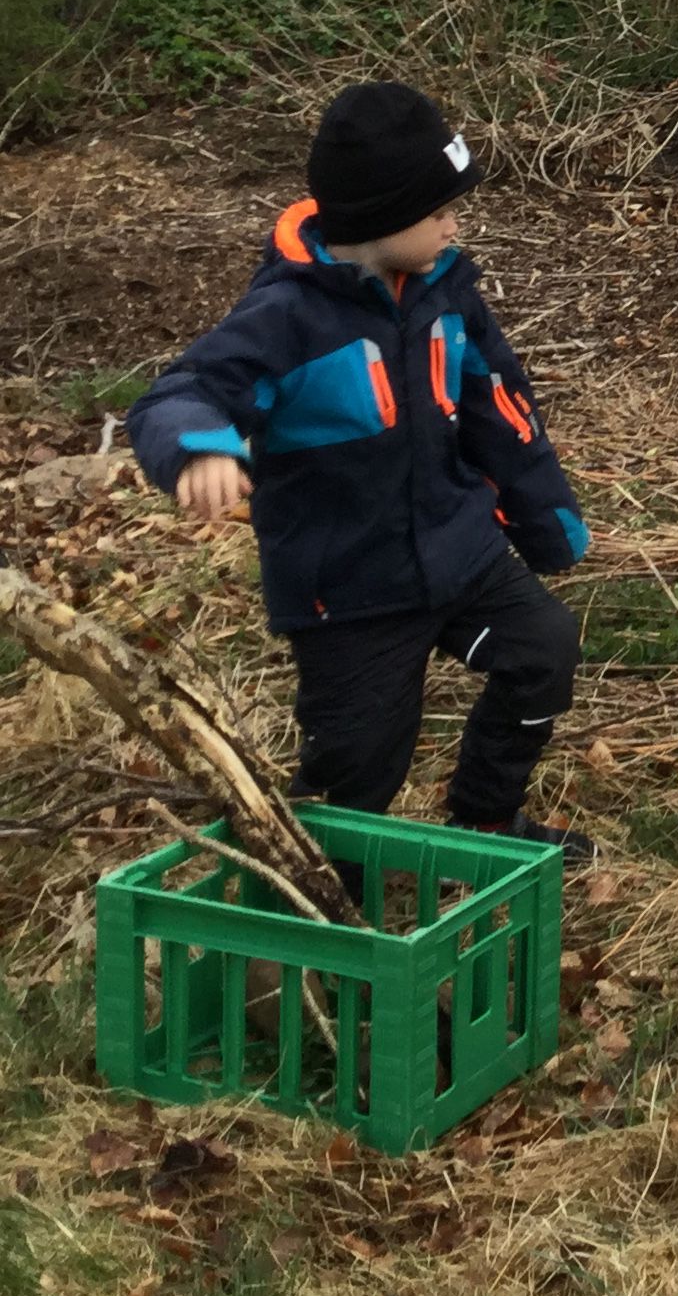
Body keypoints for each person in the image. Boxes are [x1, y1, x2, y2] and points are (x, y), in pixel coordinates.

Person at [127, 82, 590, 852]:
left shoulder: (448, 294)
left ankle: (485, 817)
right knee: (360, 767)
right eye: (439, 210)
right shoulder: (286, 317)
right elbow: (185, 391)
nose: (455, 224)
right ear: (381, 217)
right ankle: (317, 901)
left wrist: (546, 520)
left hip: (460, 550)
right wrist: (199, 445)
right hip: (346, 590)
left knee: (544, 651)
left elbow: (499, 408)